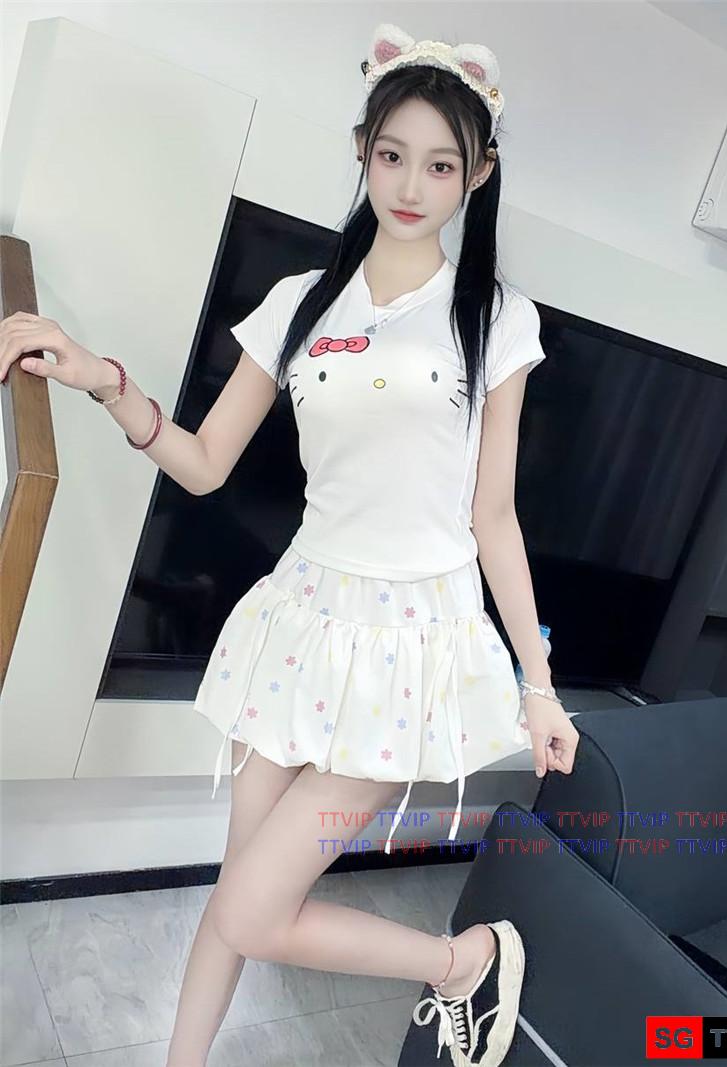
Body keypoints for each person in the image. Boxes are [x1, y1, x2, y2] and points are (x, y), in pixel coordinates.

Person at [0, 20, 580, 1067]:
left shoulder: (495, 318)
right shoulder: (297, 306)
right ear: (362, 150)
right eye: (391, 153)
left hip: (408, 651)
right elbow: (203, 461)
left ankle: (464, 959)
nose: (411, 184)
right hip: (303, 625)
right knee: (241, 893)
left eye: (440, 164)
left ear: (477, 174)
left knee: (252, 908)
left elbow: (492, 515)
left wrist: (536, 684)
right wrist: (102, 381)